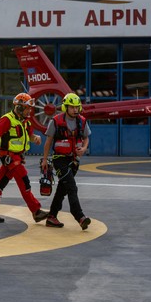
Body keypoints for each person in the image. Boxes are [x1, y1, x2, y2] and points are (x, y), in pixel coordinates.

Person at [0, 92, 48, 223]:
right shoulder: (7, 119)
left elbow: (29, 136)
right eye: (28, 108)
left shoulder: (26, 122)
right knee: (24, 182)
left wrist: (36, 138)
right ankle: (36, 211)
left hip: (16, 158)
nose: (30, 111)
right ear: (19, 107)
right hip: (10, 158)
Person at [40, 92, 92, 230]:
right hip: (59, 160)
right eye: (72, 107)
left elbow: (86, 137)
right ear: (65, 107)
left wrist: (84, 148)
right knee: (71, 187)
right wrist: (45, 160)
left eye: (77, 107)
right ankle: (80, 217)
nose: (76, 109)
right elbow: (48, 141)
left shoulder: (82, 121)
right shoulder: (55, 121)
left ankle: (51, 217)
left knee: (62, 189)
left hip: (74, 161)